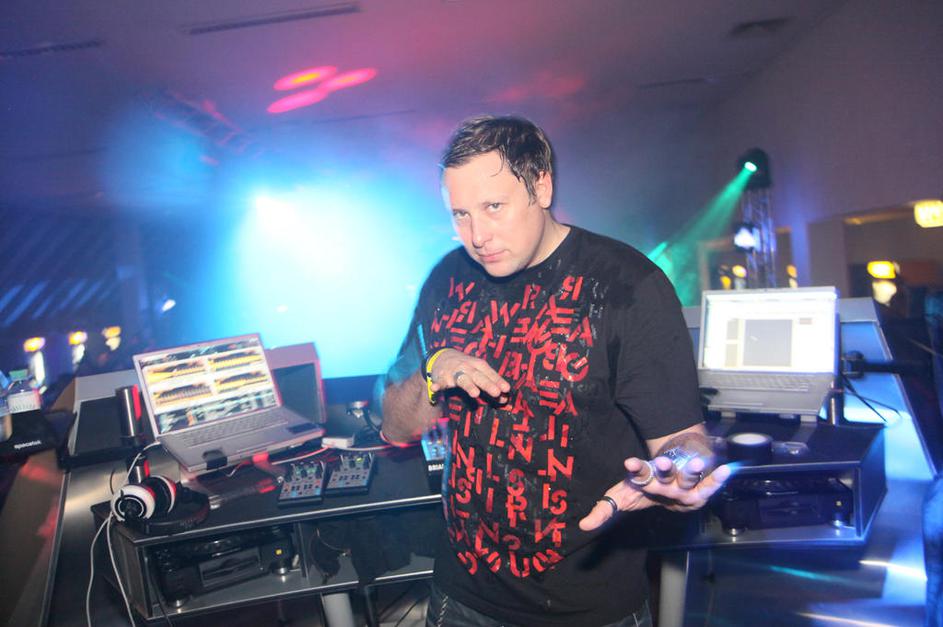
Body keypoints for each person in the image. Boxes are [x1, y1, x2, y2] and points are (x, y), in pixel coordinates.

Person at [380, 115, 730, 626]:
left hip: (589, 607)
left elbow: (682, 439)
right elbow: (394, 425)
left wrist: (680, 471)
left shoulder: (629, 285)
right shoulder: (445, 279)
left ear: (541, 186)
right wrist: (434, 370)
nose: (477, 235)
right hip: (463, 598)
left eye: (493, 207)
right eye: (460, 214)